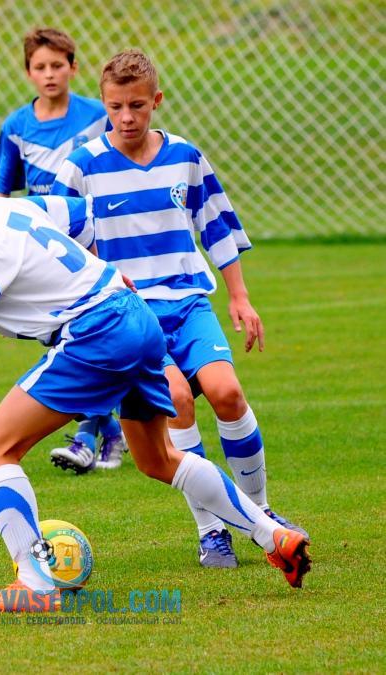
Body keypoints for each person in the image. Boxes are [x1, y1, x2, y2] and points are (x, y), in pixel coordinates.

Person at [0, 164, 310, 611]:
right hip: (134, 314)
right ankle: (274, 537)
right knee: (158, 458)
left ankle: (34, 585)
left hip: (95, 334)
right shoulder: (2, 209)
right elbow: (84, 218)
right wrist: (101, 270)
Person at [51, 49, 309, 569]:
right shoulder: (81, 166)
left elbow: (217, 226)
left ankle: (260, 514)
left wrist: (239, 296)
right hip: (129, 315)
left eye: (137, 106)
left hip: (189, 302)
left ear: (157, 101)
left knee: (227, 393)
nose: (126, 117)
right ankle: (211, 531)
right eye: (116, 107)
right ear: (102, 103)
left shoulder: (185, 158)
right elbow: (58, 243)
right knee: (178, 401)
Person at [0, 26, 125, 470]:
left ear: (73, 67)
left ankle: (89, 438)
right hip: (47, 248)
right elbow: (2, 192)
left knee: (89, 336)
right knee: (69, 339)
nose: (49, 74)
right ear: (28, 72)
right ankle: (110, 432)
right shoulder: (16, 126)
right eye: (39, 67)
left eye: (56, 65)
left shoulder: (97, 115)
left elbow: (121, 162)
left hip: (95, 239)